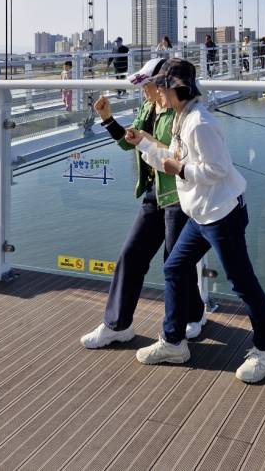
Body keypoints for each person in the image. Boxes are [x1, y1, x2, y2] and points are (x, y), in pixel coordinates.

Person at [125, 57, 265, 384]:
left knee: (242, 283)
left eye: (163, 87)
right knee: (174, 268)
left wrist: (181, 170)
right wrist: (142, 143)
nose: (158, 93)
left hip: (222, 216)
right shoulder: (183, 117)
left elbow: (218, 170)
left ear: (178, 89)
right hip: (200, 215)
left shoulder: (200, 123)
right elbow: (173, 157)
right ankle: (173, 343)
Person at [80, 57, 206, 350]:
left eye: (148, 85)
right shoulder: (149, 107)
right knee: (132, 255)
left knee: (175, 262)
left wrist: (148, 141)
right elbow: (129, 142)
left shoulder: (182, 112)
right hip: (154, 193)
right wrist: (108, 119)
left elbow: (182, 157)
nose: (145, 91)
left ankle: (193, 315)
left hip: (178, 195)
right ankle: (117, 325)